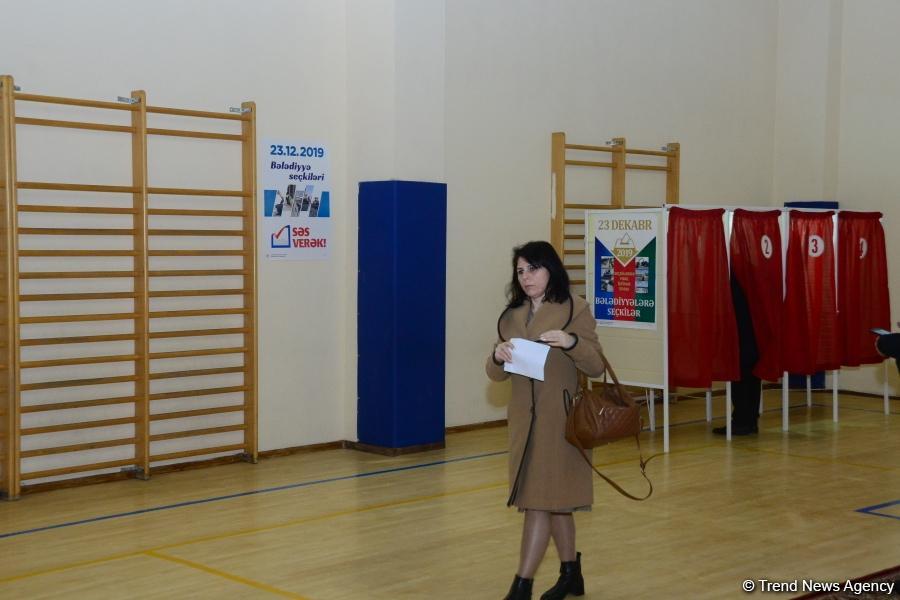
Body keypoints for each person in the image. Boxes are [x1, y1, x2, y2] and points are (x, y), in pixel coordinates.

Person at [486, 241, 606, 600]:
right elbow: (495, 375)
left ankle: (521, 586)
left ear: (550, 269)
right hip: (524, 425)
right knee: (555, 501)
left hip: (562, 423)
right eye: (521, 271)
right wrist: (496, 355)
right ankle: (571, 574)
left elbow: (596, 365)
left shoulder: (575, 309)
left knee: (540, 502)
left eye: (533, 269)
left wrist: (571, 342)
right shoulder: (511, 316)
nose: (526, 278)